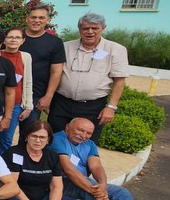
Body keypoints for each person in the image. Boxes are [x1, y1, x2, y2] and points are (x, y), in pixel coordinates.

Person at [2, 120, 92, 200]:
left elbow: (56, 186)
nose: (38, 140)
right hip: (19, 198)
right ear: (27, 136)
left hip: (43, 196)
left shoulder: (52, 156)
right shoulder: (15, 153)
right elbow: (13, 186)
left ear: (48, 139)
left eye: (42, 137)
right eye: (34, 136)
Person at [48, 13, 128, 143]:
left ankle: (78, 164)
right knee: (56, 140)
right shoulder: (65, 47)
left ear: (103, 28)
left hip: (92, 106)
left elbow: (119, 81)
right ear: (80, 29)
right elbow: (54, 72)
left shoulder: (115, 49)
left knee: (85, 143)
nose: (90, 32)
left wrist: (111, 107)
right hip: (61, 103)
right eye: (85, 28)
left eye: (95, 28)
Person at [18, 2, 65, 137]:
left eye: (41, 18)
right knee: (4, 134)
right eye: (33, 17)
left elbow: (56, 72)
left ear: (48, 20)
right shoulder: (15, 38)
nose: (36, 21)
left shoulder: (54, 43)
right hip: (10, 94)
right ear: (27, 18)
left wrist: (48, 97)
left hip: (35, 96)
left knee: (28, 134)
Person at [0, 27, 34, 155]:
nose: (13, 40)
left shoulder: (26, 57)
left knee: (6, 139)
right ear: (4, 39)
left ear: (22, 41)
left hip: (15, 104)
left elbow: (28, 81)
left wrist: (28, 106)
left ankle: (1, 168)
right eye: (10, 37)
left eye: (17, 37)